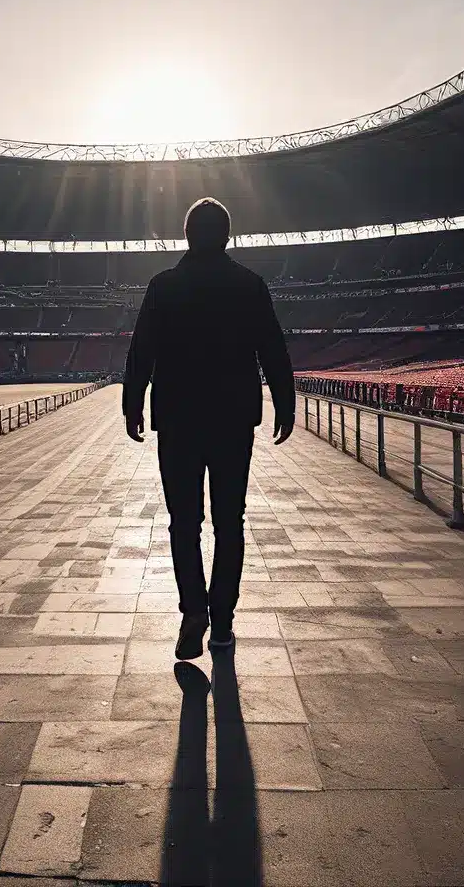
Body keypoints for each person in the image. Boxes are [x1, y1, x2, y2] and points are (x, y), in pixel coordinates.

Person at [123, 197, 295, 660]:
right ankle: (222, 620)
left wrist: (132, 404)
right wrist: (285, 402)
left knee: (184, 522)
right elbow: (272, 349)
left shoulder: (164, 286)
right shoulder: (249, 285)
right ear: (227, 237)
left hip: (178, 420)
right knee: (229, 522)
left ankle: (192, 610)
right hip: (233, 420)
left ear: (186, 237)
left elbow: (142, 350)